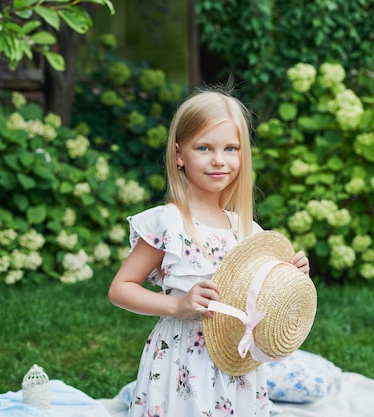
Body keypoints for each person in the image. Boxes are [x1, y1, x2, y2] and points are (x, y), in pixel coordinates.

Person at [108, 88, 311, 417]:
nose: (220, 159)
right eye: (205, 148)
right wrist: (177, 304)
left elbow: (260, 295)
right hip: (184, 360)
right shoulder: (169, 223)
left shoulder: (246, 231)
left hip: (236, 361)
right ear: (179, 154)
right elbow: (120, 288)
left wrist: (289, 277)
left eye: (231, 148)